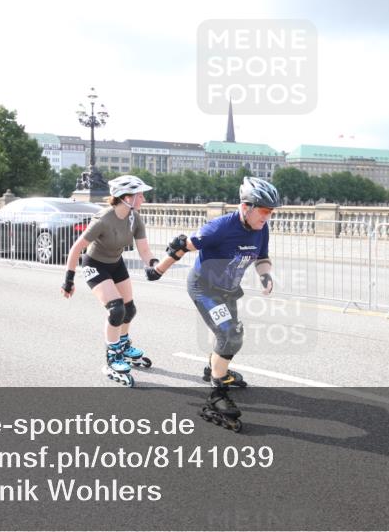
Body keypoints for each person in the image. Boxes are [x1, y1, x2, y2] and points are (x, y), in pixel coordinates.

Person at [146, 176, 280, 431]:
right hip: (204, 288)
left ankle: (215, 369)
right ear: (246, 206)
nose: (267, 216)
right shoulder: (219, 228)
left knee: (230, 334)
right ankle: (216, 394)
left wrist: (265, 275)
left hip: (228, 291)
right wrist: (158, 271)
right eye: (264, 210)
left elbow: (262, 257)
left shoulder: (261, 228)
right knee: (230, 335)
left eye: (270, 211)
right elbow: (180, 246)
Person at [61, 175, 160, 387]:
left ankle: (123, 345)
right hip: (94, 265)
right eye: (139, 194)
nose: (143, 198)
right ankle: (113, 357)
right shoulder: (103, 219)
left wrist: (153, 264)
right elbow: (76, 248)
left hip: (116, 264)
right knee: (116, 310)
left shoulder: (135, 218)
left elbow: (144, 249)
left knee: (129, 309)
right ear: (125, 197)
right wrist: (68, 280)